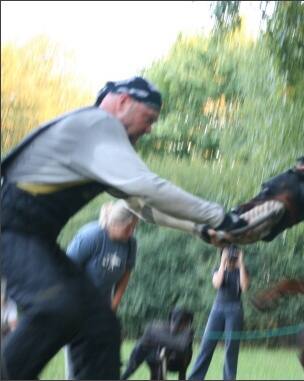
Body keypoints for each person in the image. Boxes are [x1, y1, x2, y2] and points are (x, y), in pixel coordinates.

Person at [0, 76, 247, 380]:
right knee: (58, 307)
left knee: (100, 325)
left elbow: (143, 206)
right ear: (123, 102)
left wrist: (199, 228)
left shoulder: (100, 144)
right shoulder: (99, 125)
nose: (150, 128)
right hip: (8, 228)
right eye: (149, 118)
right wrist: (219, 216)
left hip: (33, 236)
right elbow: (149, 187)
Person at [64, 199, 139, 379]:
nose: (131, 233)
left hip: (103, 306)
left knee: (103, 358)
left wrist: (114, 304)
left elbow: (126, 272)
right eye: (127, 228)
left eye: (133, 228)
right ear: (113, 224)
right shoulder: (91, 237)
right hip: (76, 304)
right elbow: (65, 271)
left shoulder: (130, 243)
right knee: (79, 362)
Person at [187, 245, 250, 380]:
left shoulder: (241, 271)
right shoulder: (217, 269)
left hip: (235, 310)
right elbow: (217, 283)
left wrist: (241, 264)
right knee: (206, 346)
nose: (231, 258)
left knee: (231, 349)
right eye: (228, 255)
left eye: (233, 255)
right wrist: (223, 263)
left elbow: (244, 287)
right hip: (217, 310)